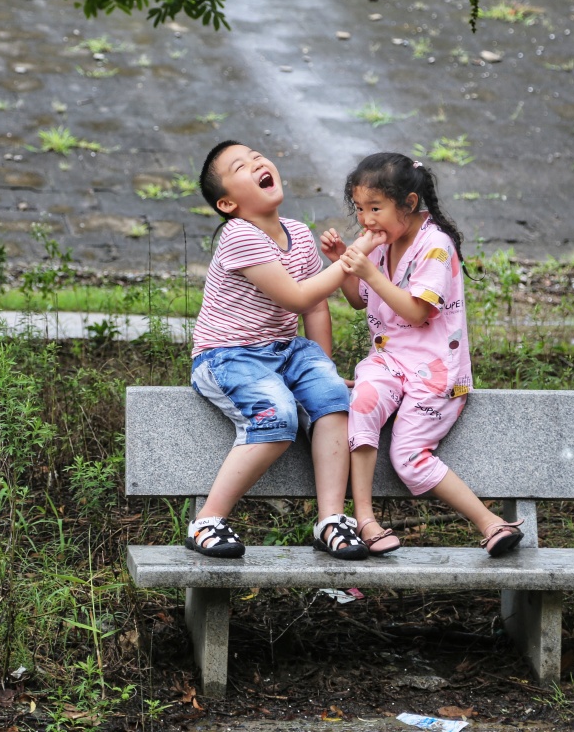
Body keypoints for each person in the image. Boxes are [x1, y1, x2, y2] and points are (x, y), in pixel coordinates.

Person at [319, 152, 524, 557]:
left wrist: (368, 272)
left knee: (408, 457)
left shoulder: (435, 245)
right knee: (361, 401)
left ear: (409, 203)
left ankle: (490, 523)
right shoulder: (382, 243)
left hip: (433, 372)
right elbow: (361, 301)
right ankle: (365, 520)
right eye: (359, 209)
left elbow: (416, 310)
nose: (365, 220)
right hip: (389, 362)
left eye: (375, 208)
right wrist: (342, 261)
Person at [186, 140, 384, 560]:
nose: (257, 162)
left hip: (284, 350)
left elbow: (315, 305)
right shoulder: (239, 235)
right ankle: (208, 520)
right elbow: (296, 297)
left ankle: (331, 520)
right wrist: (353, 257)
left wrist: (322, 369)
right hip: (228, 355)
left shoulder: (296, 232)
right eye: (241, 166)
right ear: (227, 203)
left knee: (333, 400)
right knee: (276, 415)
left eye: (257, 156)